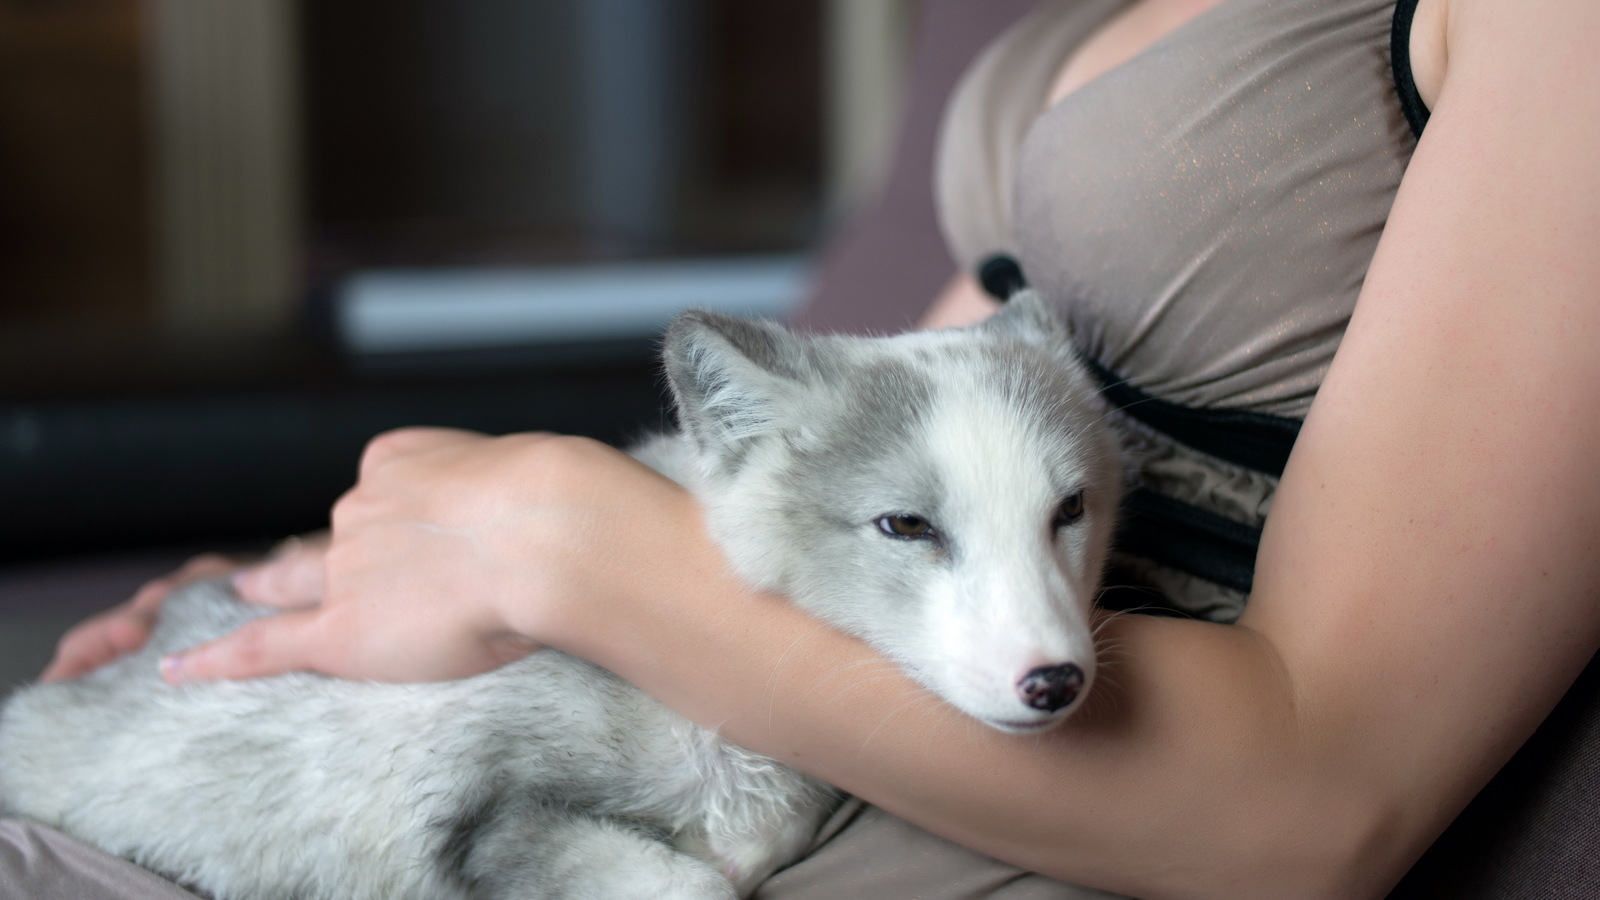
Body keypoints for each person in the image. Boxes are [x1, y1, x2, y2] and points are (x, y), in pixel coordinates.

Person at [29, 0, 1600, 896]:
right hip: (764, 716)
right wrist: (339, 580)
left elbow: (1329, 792)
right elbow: (891, 414)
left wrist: (546, 527)